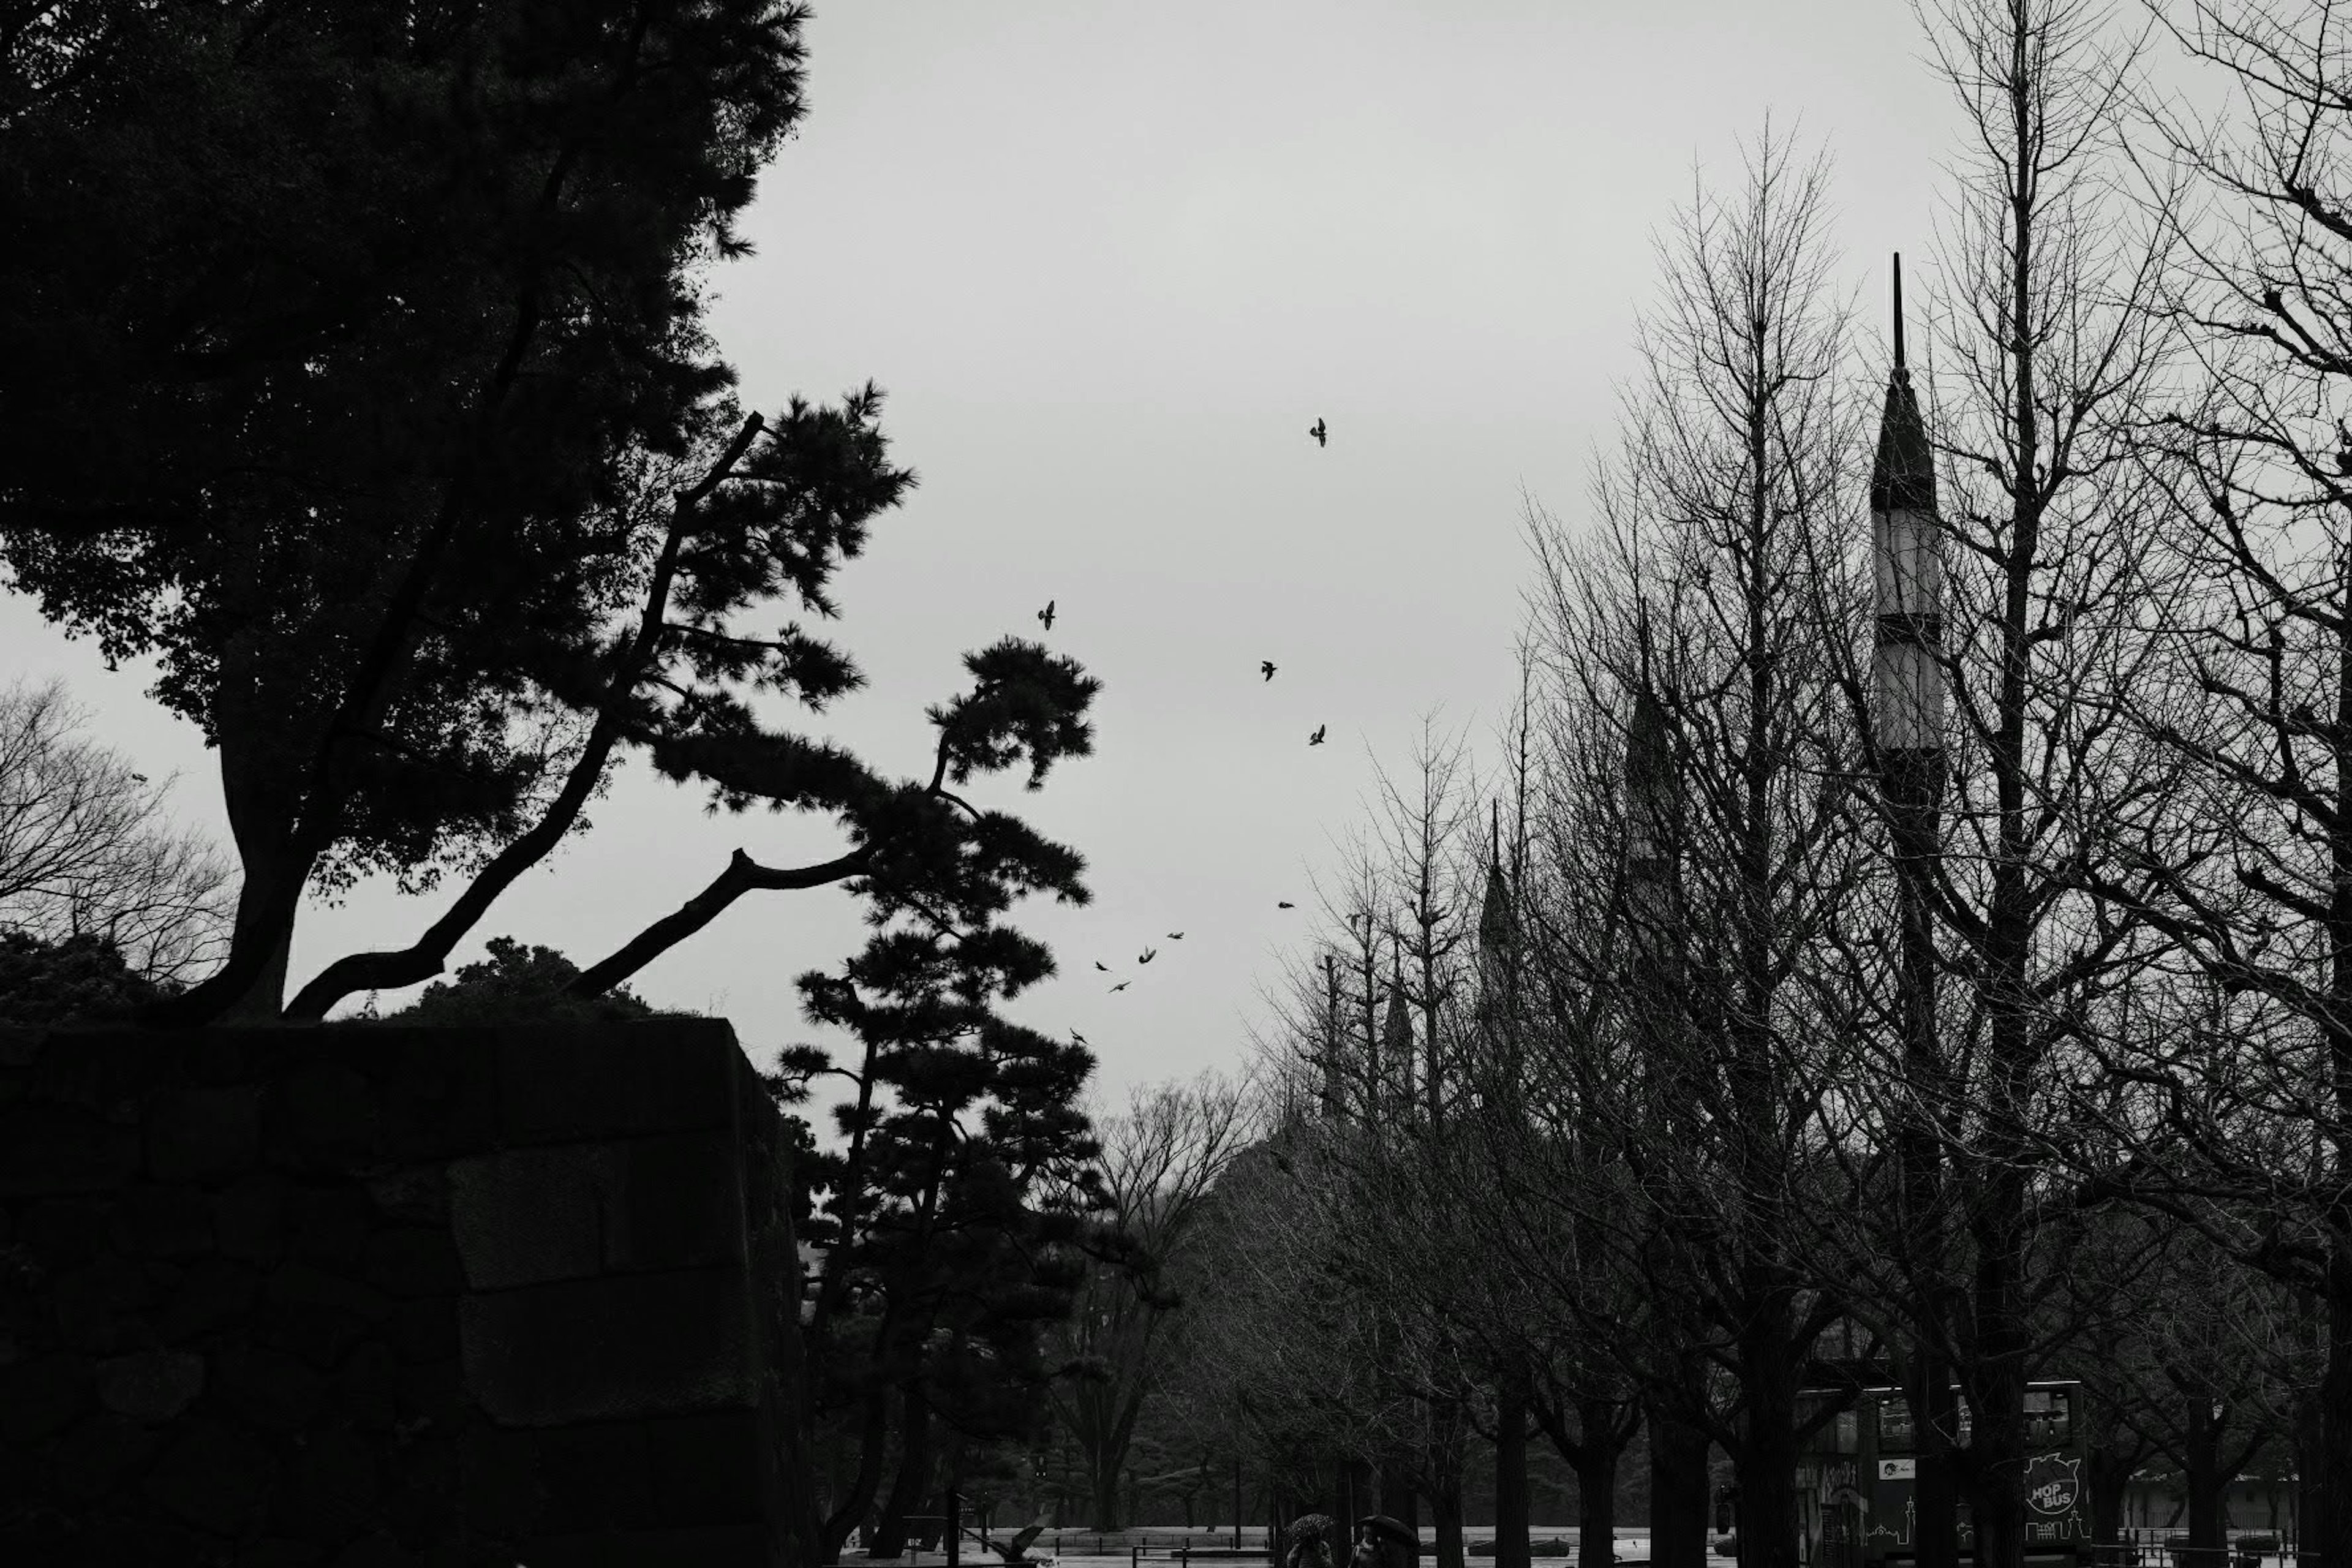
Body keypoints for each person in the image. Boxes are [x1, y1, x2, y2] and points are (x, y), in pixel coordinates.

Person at [1352, 1516, 1420, 1568]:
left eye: (1371, 1534)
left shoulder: (1382, 1549)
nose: (1369, 1536)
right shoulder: (1358, 1549)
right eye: (1367, 1533)